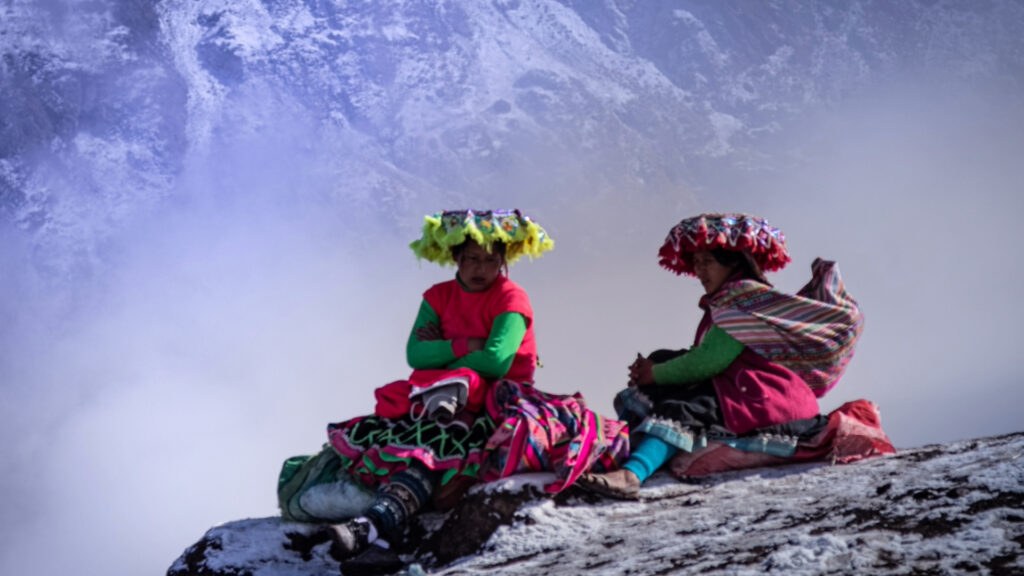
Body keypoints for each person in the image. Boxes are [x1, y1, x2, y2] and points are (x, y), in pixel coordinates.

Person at [277, 209, 628, 572]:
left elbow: (496, 363)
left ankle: (374, 528)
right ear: (456, 259)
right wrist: (467, 345)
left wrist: (444, 348)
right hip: (439, 398)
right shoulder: (438, 296)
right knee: (421, 443)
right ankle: (378, 537)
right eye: (472, 259)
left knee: (439, 448)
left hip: (497, 403)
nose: (481, 268)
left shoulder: (511, 299)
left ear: (503, 264)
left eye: (491, 261)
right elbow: (415, 353)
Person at [577, 213, 871, 499]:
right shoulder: (734, 300)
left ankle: (632, 474)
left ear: (733, 263)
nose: (699, 271)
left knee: (683, 408)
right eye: (696, 263)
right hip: (752, 388)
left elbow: (708, 362)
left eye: (707, 262)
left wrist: (654, 373)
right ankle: (621, 449)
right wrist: (658, 364)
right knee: (664, 358)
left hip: (765, 396)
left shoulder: (738, 301)